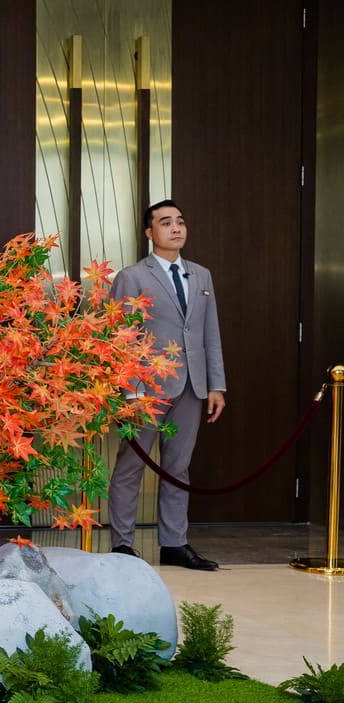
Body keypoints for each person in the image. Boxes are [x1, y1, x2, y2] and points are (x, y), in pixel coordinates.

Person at [107, 199, 227, 570]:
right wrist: (130, 390)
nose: (176, 228)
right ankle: (122, 546)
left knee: (179, 467)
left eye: (180, 222)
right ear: (149, 232)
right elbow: (120, 336)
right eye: (165, 222)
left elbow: (209, 333)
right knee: (131, 466)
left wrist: (216, 385)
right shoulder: (132, 277)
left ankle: (174, 544)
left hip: (192, 386)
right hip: (145, 389)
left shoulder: (201, 275)